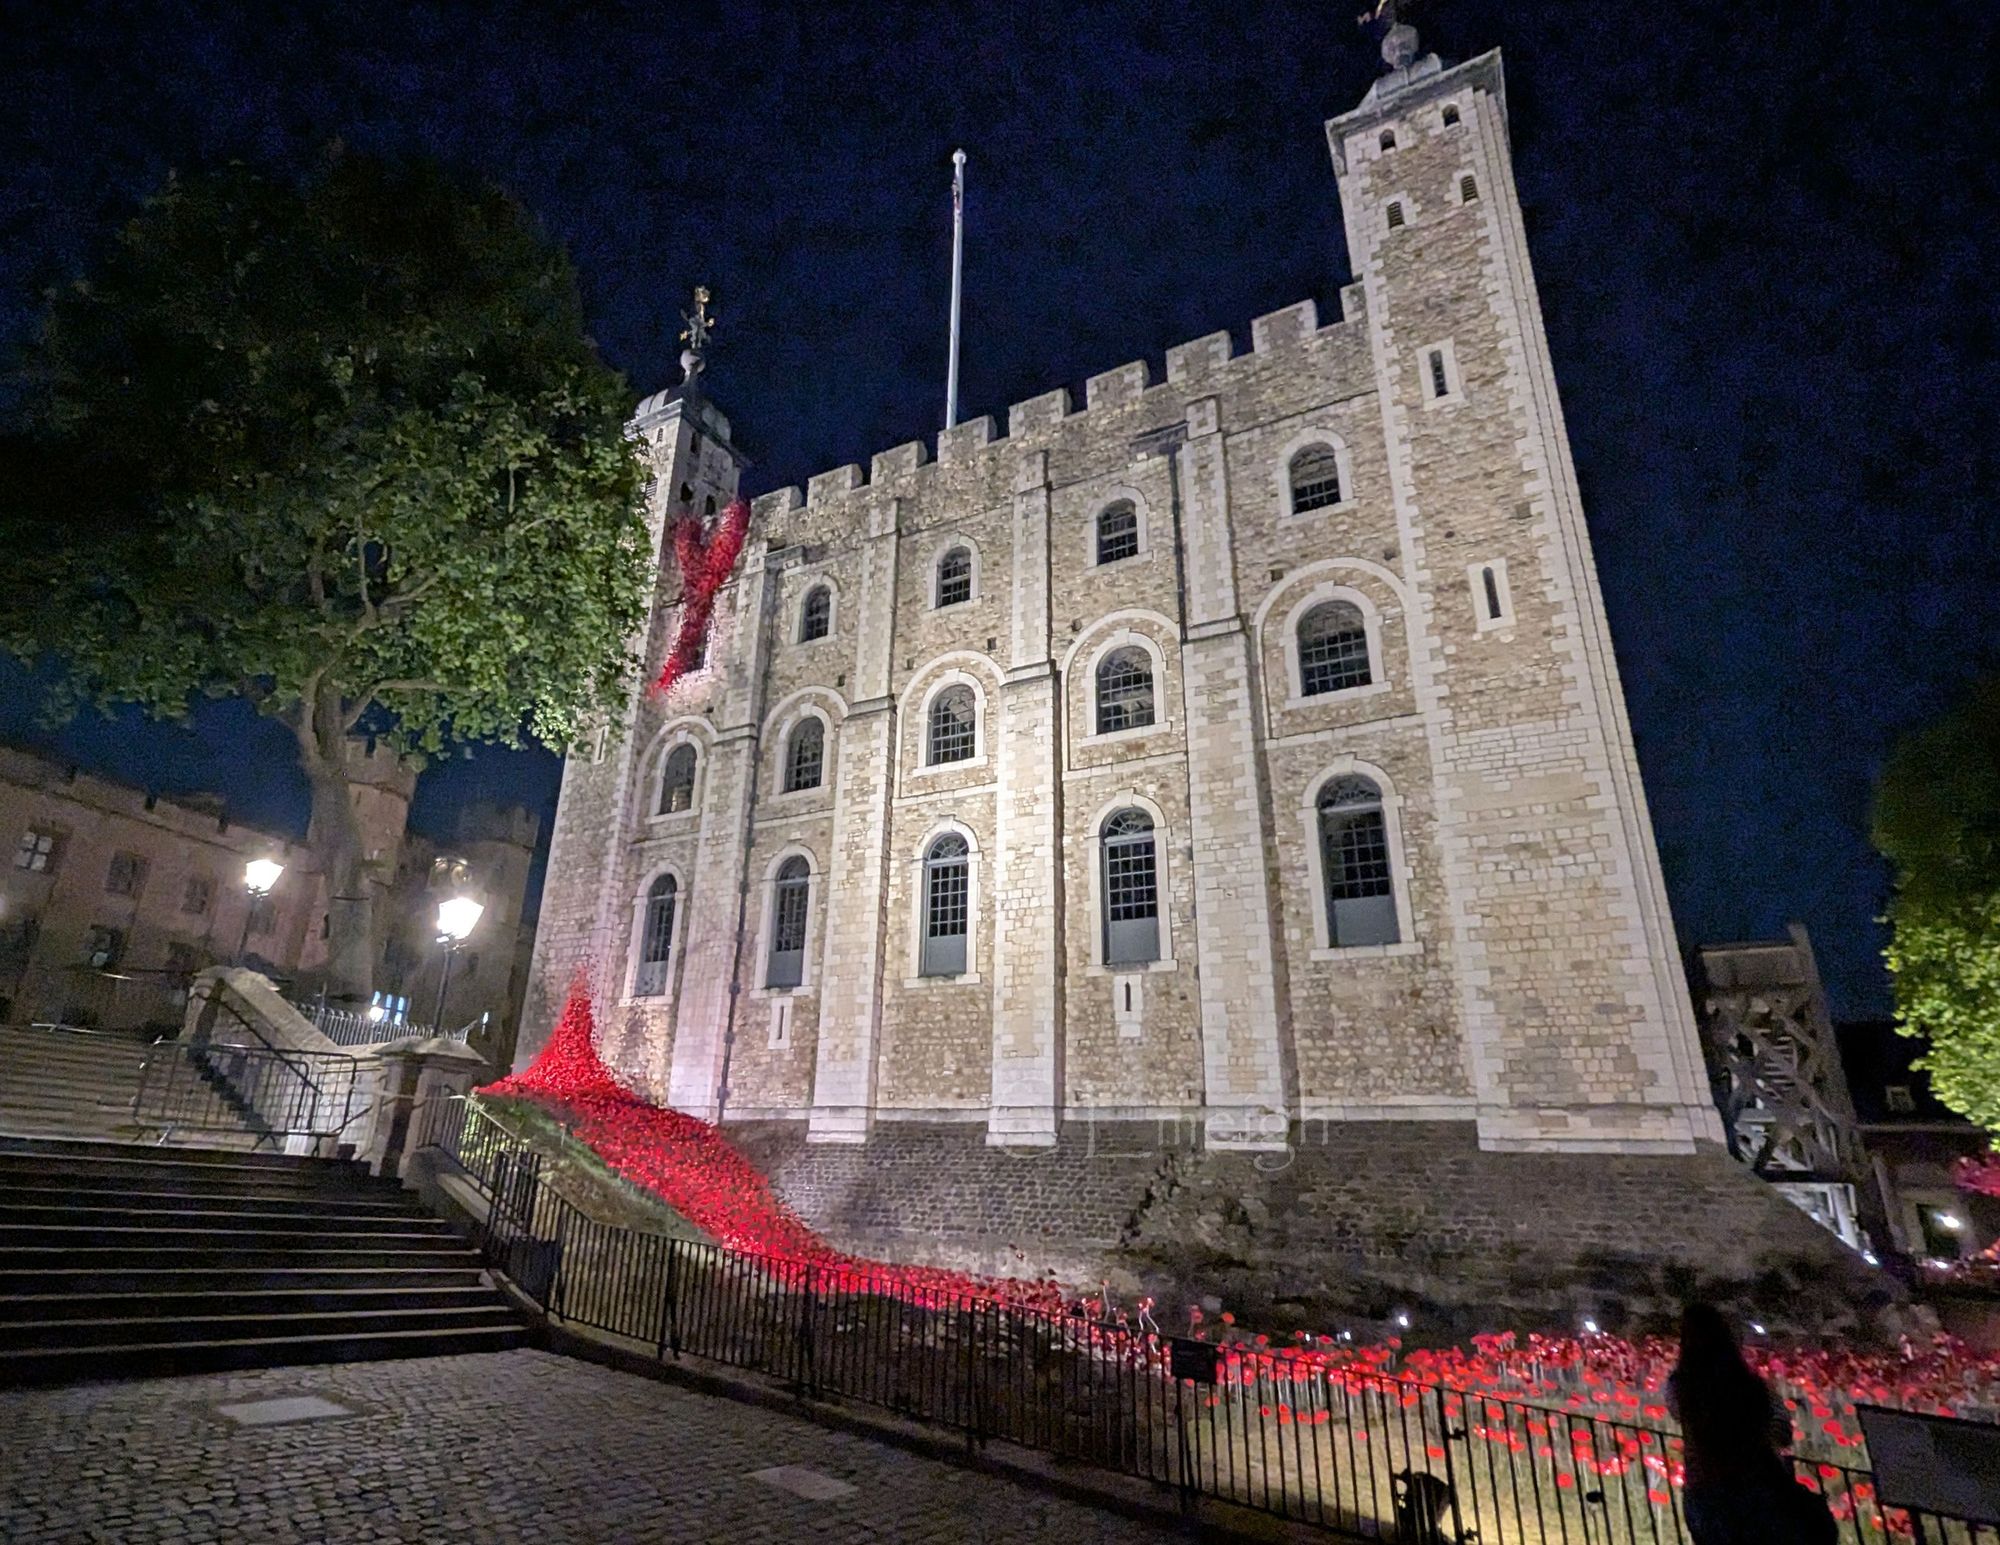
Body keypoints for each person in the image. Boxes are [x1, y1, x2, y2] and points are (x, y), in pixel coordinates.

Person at [1666, 1304, 1837, 1545]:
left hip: (1705, 1492)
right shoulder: (1752, 1385)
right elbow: (1783, 1432)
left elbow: (1677, 1414)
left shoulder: (1679, 1387)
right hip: (1755, 1488)